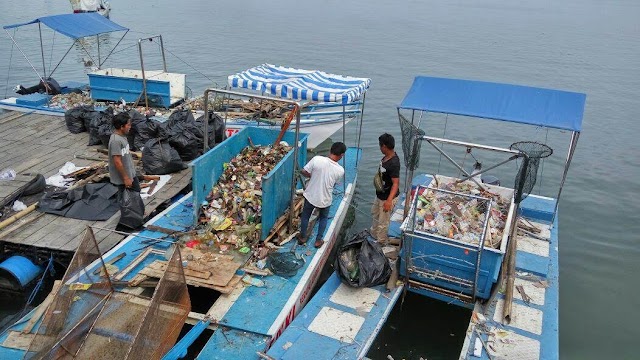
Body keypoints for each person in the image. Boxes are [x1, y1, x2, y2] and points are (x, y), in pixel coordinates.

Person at [298, 142, 346, 248]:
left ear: (330, 150)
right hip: (325, 198)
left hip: (311, 195)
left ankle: (302, 237)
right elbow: (334, 182)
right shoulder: (340, 170)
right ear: (341, 155)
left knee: (305, 216)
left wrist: (308, 174)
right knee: (323, 218)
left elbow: (305, 171)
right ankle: (318, 241)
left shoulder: (317, 159)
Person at [370, 133, 400, 244]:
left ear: (384, 146)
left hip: (387, 197)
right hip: (380, 195)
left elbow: (396, 183)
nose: (379, 148)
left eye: (380, 145)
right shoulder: (386, 158)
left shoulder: (394, 163)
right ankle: (373, 236)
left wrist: (389, 201)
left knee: (383, 221)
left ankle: (381, 242)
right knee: (375, 214)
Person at [109, 112, 140, 192]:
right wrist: (126, 178)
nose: (130, 127)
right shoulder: (116, 141)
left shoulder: (123, 137)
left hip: (131, 175)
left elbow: (124, 152)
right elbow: (117, 162)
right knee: (128, 201)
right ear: (122, 127)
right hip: (122, 181)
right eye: (128, 125)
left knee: (136, 197)